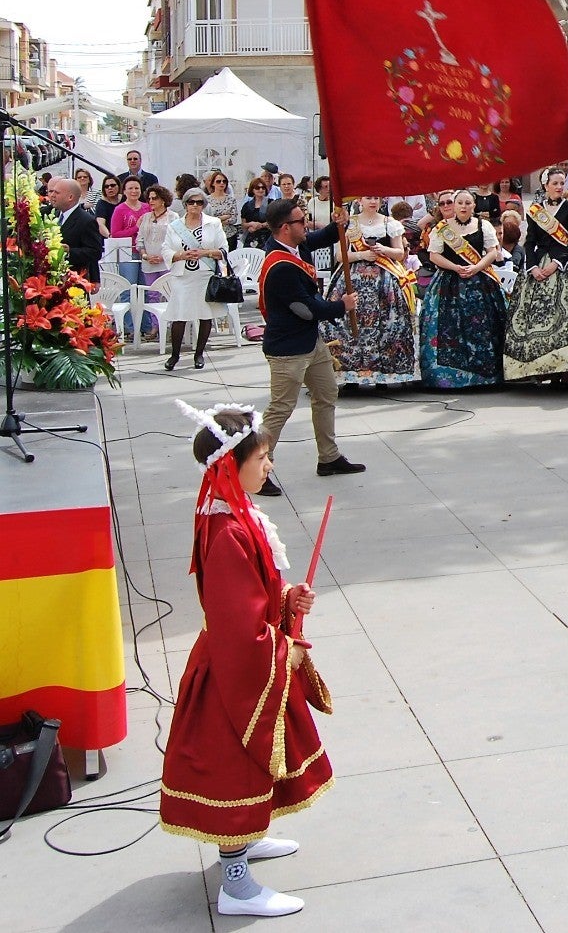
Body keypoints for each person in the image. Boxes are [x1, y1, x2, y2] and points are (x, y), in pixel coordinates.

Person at [159, 403, 330, 919]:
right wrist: (287, 649)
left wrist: (285, 602)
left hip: (239, 659)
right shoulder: (226, 532)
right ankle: (236, 884)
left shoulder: (233, 514)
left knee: (249, 769)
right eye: (263, 457)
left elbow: (249, 603)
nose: (270, 466)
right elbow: (237, 630)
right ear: (232, 465)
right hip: (232, 673)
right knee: (233, 771)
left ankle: (246, 842)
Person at [254, 199, 362, 496]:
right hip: (288, 348)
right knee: (280, 409)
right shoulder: (280, 266)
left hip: (309, 342)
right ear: (285, 228)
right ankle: (257, 469)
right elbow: (306, 308)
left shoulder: (294, 244)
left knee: (326, 393)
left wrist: (340, 223)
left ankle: (329, 457)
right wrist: (342, 305)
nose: (307, 225)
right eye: (302, 221)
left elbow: (322, 237)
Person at [505, 167, 568, 383]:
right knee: (537, 318)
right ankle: (542, 367)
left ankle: (567, 369)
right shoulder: (535, 210)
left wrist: (556, 263)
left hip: (566, 264)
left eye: (562, 183)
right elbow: (530, 241)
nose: (560, 187)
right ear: (546, 185)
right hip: (540, 264)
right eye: (555, 183)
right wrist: (532, 266)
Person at [321, 196, 418, 387]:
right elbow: (340, 255)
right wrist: (361, 255)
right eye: (368, 198)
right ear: (360, 200)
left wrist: (384, 250)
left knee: (387, 324)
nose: (373, 201)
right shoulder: (351, 223)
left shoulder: (390, 223)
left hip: (384, 280)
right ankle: (351, 374)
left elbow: (400, 253)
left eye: (376, 197)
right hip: (353, 279)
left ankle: (384, 373)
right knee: (349, 324)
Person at [420, 189, 507, 389]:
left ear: (474, 206)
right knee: (448, 327)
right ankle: (448, 378)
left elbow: (493, 251)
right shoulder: (442, 228)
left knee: (484, 327)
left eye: (468, 203)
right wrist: (455, 267)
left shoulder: (483, 225)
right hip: (449, 283)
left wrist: (477, 267)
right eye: (460, 203)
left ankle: (486, 377)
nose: (464, 206)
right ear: (454, 205)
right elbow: (434, 255)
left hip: (480, 281)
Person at [159, 188, 230, 370]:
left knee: (205, 315)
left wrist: (204, 253)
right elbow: (166, 250)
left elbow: (223, 249)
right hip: (183, 276)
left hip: (204, 275)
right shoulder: (175, 226)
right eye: (192, 202)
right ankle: (174, 355)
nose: (195, 206)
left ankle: (199, 353)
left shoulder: (213, 223)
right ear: (185, 204)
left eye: (199, 202)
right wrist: (181, 255)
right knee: (179, 316)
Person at [204, 171, 241, 247]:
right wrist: (225, 217)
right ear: (213, 183)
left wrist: (217, 219)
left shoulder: (231, 199)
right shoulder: (207, 200)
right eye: (218, 181)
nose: (221, 183)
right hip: (213, 235)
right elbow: (207, 219)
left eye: (224, 181)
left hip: (230, 235)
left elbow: (234, 219)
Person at [239, 177, 274, 249]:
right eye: (257, 188)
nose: (261, 190)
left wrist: (260, 225)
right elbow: (243, 224)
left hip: (267, 239)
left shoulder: (271, 203)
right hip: (250, 240)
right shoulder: (247, 206)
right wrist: (251, 224)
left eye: (263, 187)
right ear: (252, 190)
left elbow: (275, 221)